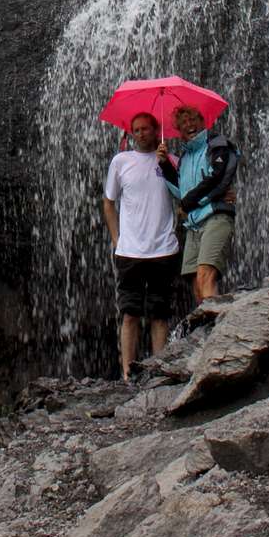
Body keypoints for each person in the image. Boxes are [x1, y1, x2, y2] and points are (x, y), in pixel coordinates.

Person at [102, 112, 180, 378]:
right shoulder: (120, 161)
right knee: (130, 313)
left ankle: (158, 370)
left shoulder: (172, 161)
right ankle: (127, 372)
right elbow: (108, 202)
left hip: (164, 250)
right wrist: (116, 239)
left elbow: (186, 196)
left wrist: (166, 163)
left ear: (156, 130)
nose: (141, 133)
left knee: (159, 314)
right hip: (130, 251)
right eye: (136, 130)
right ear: (131, 133)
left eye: (146, 129)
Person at [157, 105, 239, 304]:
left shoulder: (217, 144)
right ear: (178, 130)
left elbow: (219, 176)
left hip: (215, 217)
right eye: (183, 123)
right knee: (196, 284)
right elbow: (181, 192)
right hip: (194, 224)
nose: (189, 125)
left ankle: (219, 332)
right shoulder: (185, 158)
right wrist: (165, 164)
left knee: (205, 275)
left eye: (193, 120)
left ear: (203, 122)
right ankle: (209, 329)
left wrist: (190, 202)